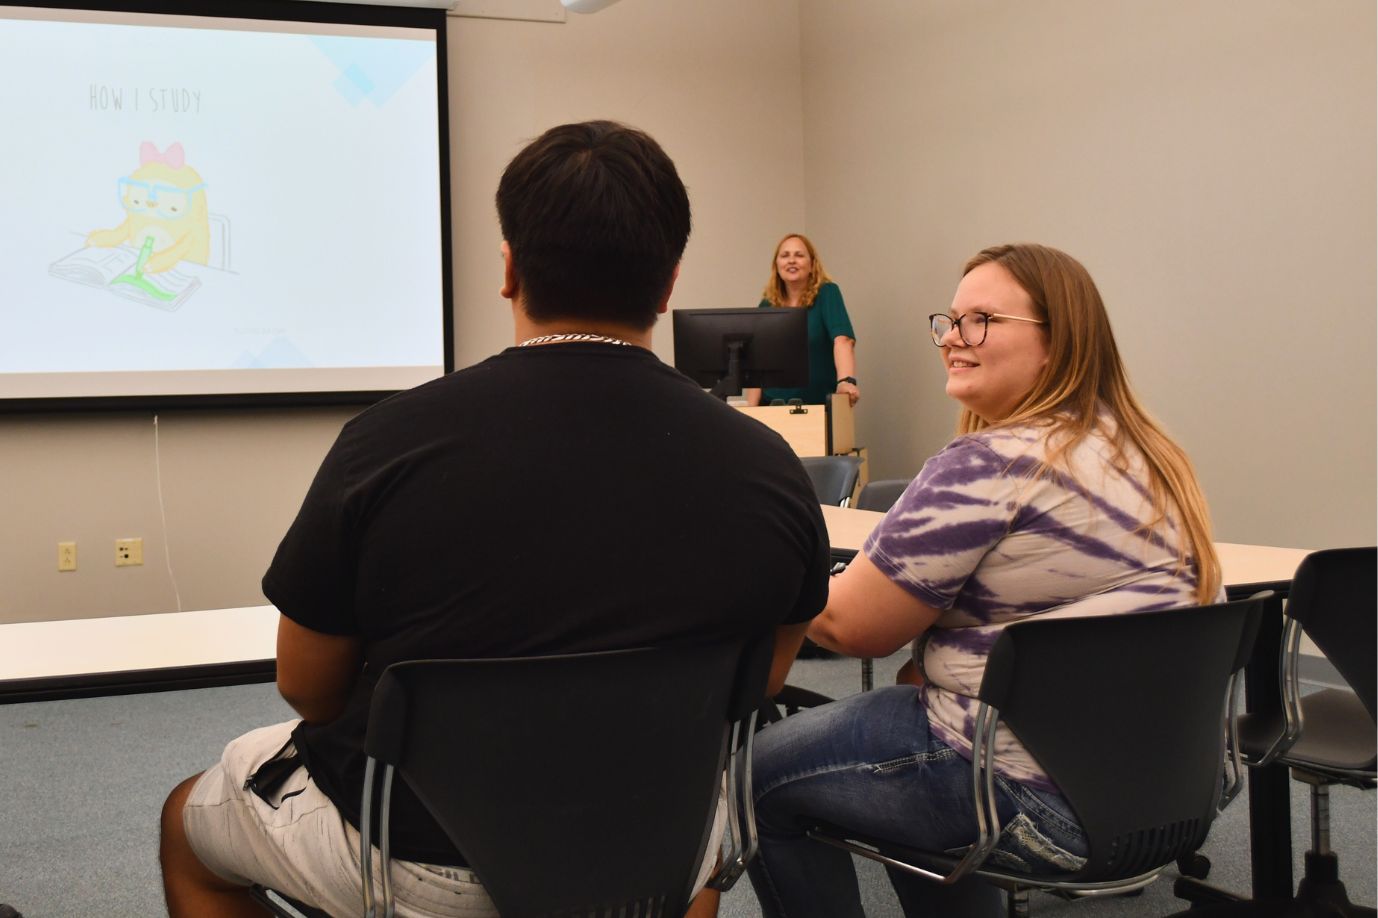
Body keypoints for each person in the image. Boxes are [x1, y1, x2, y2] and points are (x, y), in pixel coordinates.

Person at [159, 120, 830, 918]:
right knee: (684, 857)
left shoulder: (385, 443)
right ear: (668, 282)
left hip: (415, 852)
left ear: (509, 268)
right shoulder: (767, 466)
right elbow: (761, 681)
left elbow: (308, 690)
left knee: (184, 827)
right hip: (664, 846)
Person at [746, 243, 1224, 917]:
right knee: (904, 714)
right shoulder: (1150, 456)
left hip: (1034, 792)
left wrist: (770, 563)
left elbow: (850, 627)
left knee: (756, 773)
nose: (953, 340)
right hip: (1170, 784)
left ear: (1057, 344)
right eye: (950, 320)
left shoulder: (990, 463)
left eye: (981, 322)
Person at [744, 233, 859, 408]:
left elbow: (843, 340)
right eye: (785, 255)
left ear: (812, 264)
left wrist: (846, 381)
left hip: (816, 407)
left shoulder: (827, 293)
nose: (791, 260)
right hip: (772, 407)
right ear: (777, 265)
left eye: (799, 255)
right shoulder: (767, 304)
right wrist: (751, 412)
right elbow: (757, 364)